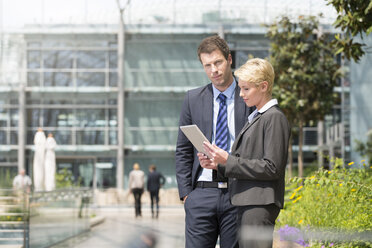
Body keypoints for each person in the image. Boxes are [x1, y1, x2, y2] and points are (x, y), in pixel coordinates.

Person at [198, 58, 291, 248]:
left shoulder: (274, 118)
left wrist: (228, 161)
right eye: (240, 88)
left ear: (264, 86)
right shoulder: (257, 117)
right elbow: (249, 162)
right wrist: (219, 164)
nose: (241, 94)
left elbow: (272, 167)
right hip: (247, 202)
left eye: (246, 89)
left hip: (259, 204)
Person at [175, 35, 255, 248]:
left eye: (218, 62)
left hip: (237, 193)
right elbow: (183, 149)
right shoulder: (192, 98)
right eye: (207, 65)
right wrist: (186, 195)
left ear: (229, 60)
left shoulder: (248, 97)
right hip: (201, 193)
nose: (214, 70)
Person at [33, 127, 46, 191]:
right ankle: (38, 187)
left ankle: (40, 187)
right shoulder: (38, 136)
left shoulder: (43, 137)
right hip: (39, 153)